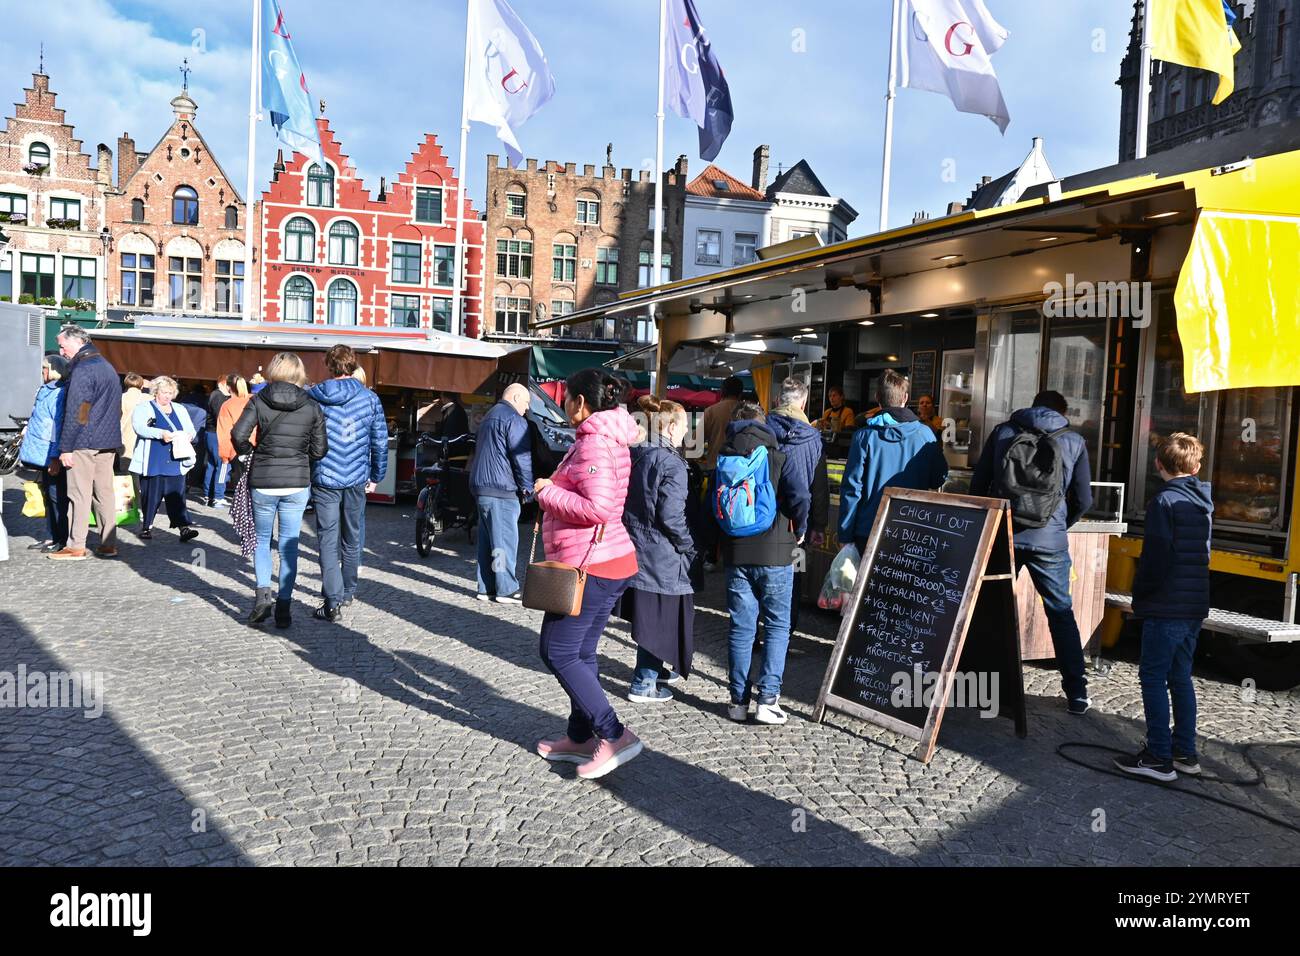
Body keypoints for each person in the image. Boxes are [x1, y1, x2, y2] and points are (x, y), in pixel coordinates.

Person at [533, 369, 643, 780]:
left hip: (591, 564)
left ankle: (614, 734)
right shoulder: (606, 437)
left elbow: (599, 509)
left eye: (566, 398)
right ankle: (579, 736)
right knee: (579, 653)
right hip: (605, 561)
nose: (562, 404)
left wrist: (548, 492)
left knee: (557, 650)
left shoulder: (595, 443)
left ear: (580, 402)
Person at [970, 389, 1093, 715]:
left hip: (1003, 533)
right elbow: (1084, 499)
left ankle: (978, 685)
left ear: (1033, 405)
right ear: (1062, 411)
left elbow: (979, 484)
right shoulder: (1074, 440)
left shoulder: (1004, 431)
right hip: (1049, 542)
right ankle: (1077, 693)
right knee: (1061, 614)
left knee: (987, 609)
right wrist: (1058, 526)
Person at [1115, 433, 1212, 782]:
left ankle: (1158, 755)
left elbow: (1155, 559)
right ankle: (1184, 751)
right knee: (1180, 676)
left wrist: (1140, 597)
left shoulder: (1164, 503)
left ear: (1158, 465)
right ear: (1196, 466)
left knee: (1153, 677)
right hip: (1194, 604)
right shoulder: (1203, 501)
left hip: (1166, 604)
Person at [717, 401, 810, 726]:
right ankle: (768, 700)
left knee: (741, 628)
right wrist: (799, 528)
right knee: (777, 625)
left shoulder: (723, 459)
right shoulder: (778, 457)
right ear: (764, 424)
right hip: (775, 552)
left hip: (736, 553)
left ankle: (737, 702)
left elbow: (710, 507)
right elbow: (801, 496)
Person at [232, 352, 328, 628]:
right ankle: (284, 606)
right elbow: (320, 450)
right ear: (299, 374)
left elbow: (238, 435)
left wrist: (251, 453)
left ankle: (264, 595)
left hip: (263, 479)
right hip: (297, 481)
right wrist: (300, 456)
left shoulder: (259, 399)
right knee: (289, 545)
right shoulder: (311, 405)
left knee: (262, 541)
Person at [619, 395, 696, 703]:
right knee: (660, 617)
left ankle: (654, 672)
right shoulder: (671, 462)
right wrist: (688, 544)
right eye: (687, 426)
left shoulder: (636, 453)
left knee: (653, 615)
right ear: (673, 426)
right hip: (662, 551)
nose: (688, 433)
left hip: (637, 545)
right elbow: (671, 515)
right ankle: (644, 682)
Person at [307, 344, 389, 622]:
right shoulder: (369, 399)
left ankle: (332, 600)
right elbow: (379, 441)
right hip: (355, 476)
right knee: (352, 538)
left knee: (327, 540)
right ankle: (348, 591)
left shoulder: (314, 396)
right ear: (353, 365)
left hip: (325, 476)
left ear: (329, 365)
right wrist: (377, 476)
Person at [838, 369, 949, 554]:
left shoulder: (864, 437)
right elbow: (938, 479)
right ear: (905, 398)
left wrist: (844, 536)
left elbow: (851, 489)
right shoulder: (926, 434)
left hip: (868, 531)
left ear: (877, 398)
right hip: (912, 531)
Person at [50, 326, 122, 560]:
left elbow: (78, 412)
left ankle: (75, 546)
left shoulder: (83, 369)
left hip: (84, 441)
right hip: (107, 440)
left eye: (63, 345)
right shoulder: (107, 366)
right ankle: (108, 544)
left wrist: (66, 447)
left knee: (78, 494)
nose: (62, 351)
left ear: (77, 343)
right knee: (104, 493)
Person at [767, 377, 831, 632]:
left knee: (758, 579)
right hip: (796, 526)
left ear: (778, 400)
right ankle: (785, 633)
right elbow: (819, 487)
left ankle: (757, 635)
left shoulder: (762, 428)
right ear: (803, 403)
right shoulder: (814, 438)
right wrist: (817, 525)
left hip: (760, 519)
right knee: (793, 579)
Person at [469, 383, 533, 604]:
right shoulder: (514, 419)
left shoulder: (489, 415)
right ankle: (505, 588)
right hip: (501, 488)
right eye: (526, 403)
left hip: (482, 487)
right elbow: (521, 457)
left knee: (489, 541)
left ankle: (487, 587)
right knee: (503, 541)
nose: (527, 409)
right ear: (515, 397)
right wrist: (527, 488)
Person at [129, 376, 199, 542]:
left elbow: (191, 429)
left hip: (175, 459)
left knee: (177, 494)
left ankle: (184, 528)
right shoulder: (143, 408)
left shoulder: (180, 409)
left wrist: (190, 435)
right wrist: (160, 434)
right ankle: (147, 527)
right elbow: (139, 427)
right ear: (156, 392)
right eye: (164, 392)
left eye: (170, 393)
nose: (167, 396)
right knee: (151, 494)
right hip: (153, 458)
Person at [19, 355, 70, 553]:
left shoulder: (58, 392)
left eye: (44, 368)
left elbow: (56, 426)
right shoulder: (45, 390)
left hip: (51, 454)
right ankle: (52, 536)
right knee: (48, 496)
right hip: (44, 453)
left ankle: (60, 538)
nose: (42, 372)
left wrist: (55, 457)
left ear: (53, 370)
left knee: (57, 497)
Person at [700, 375, 745, 568]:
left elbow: (695, 442)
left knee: (712, 515)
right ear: (741, 393)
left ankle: (711, 556)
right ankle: (733, 556)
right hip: (741, 473)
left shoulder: (711, 411)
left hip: (715, 469)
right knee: (736, 513)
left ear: (722, 391)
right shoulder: (746, 412)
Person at [203, 375, 233, 507]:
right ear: (224, 384)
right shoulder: (219, 397)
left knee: (212, 464)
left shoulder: (215, 395)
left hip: (211, 433)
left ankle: (207, 494)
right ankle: (218, 496)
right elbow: (220, 417)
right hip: (218, 434)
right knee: (223, 464)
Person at [119, 372, 147, 476]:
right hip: (142, 438)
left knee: (125, 472)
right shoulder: (148, 399)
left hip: (123, 437)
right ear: (142, 385)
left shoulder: (120, 397)